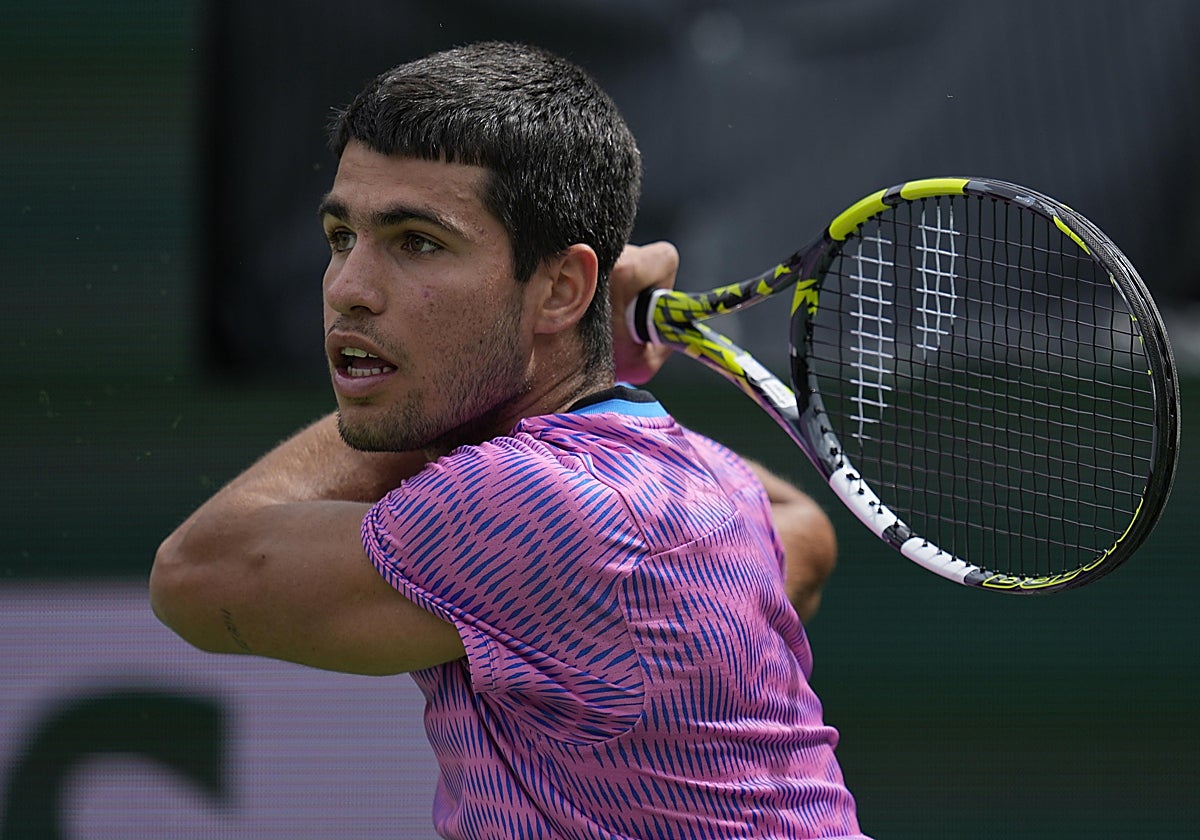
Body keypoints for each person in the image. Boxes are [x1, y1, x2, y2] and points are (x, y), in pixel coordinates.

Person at [150, 41, 867, 839]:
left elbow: (196, 575)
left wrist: (509, 376)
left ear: (562, 286)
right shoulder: (705, 494)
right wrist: (589, 348)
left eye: (418, 241)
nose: (349, 289)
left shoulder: (524, 500)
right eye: (340, 235)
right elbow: (801, 527)